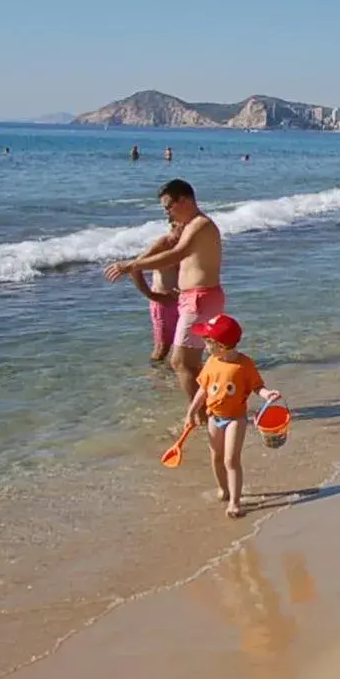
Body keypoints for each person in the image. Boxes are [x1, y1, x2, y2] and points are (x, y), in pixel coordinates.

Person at [105, 179, 225, 411]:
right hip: (198, 297)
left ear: (184, 200)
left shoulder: (200, 224)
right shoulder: (192, 226)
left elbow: (176, 255)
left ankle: (203, 415)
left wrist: (131, 265)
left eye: (169, 206)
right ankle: (215, 407)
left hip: (200, 298)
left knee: (180, 362)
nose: (167, 213)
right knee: (193, 362)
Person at [183, 314, 281, 518]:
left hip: (236, 419)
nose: (204, 345)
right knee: (216, 457)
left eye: (207, 341)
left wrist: (267, 394)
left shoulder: (244, 365)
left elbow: (257, 387)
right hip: (213, 417)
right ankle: (224, 490)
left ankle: (235, 502)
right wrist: (191, 412)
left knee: (231, 460)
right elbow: (202, 389)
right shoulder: (211, 361)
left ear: (220, 345)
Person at [130, 222, 182, 363]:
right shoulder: (164, 243)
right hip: (164, 302)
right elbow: (134, 268)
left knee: (185, 345)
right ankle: (157, 378)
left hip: (186, 301)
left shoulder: (189, 244)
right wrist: (150, 294)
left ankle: (174, 376)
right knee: (162, 347)